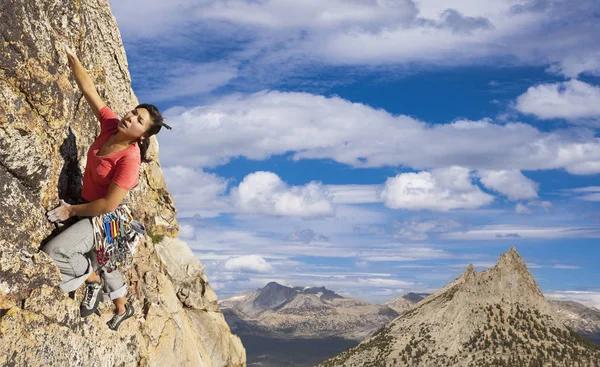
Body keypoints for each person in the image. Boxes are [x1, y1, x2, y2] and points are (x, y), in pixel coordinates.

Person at [43, 44, 171, 330]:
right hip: (93, 208)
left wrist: (70, 211)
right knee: (105, 259)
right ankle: (122, 308)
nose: (131, 117)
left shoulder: (129, 159)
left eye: (139, 120)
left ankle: (91, 280)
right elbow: (91, 92)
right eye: (133, 112)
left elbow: (108, 205)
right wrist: (74, 58)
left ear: (142, 135)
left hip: (106, 215)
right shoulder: (111, 125)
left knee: (60, 253)